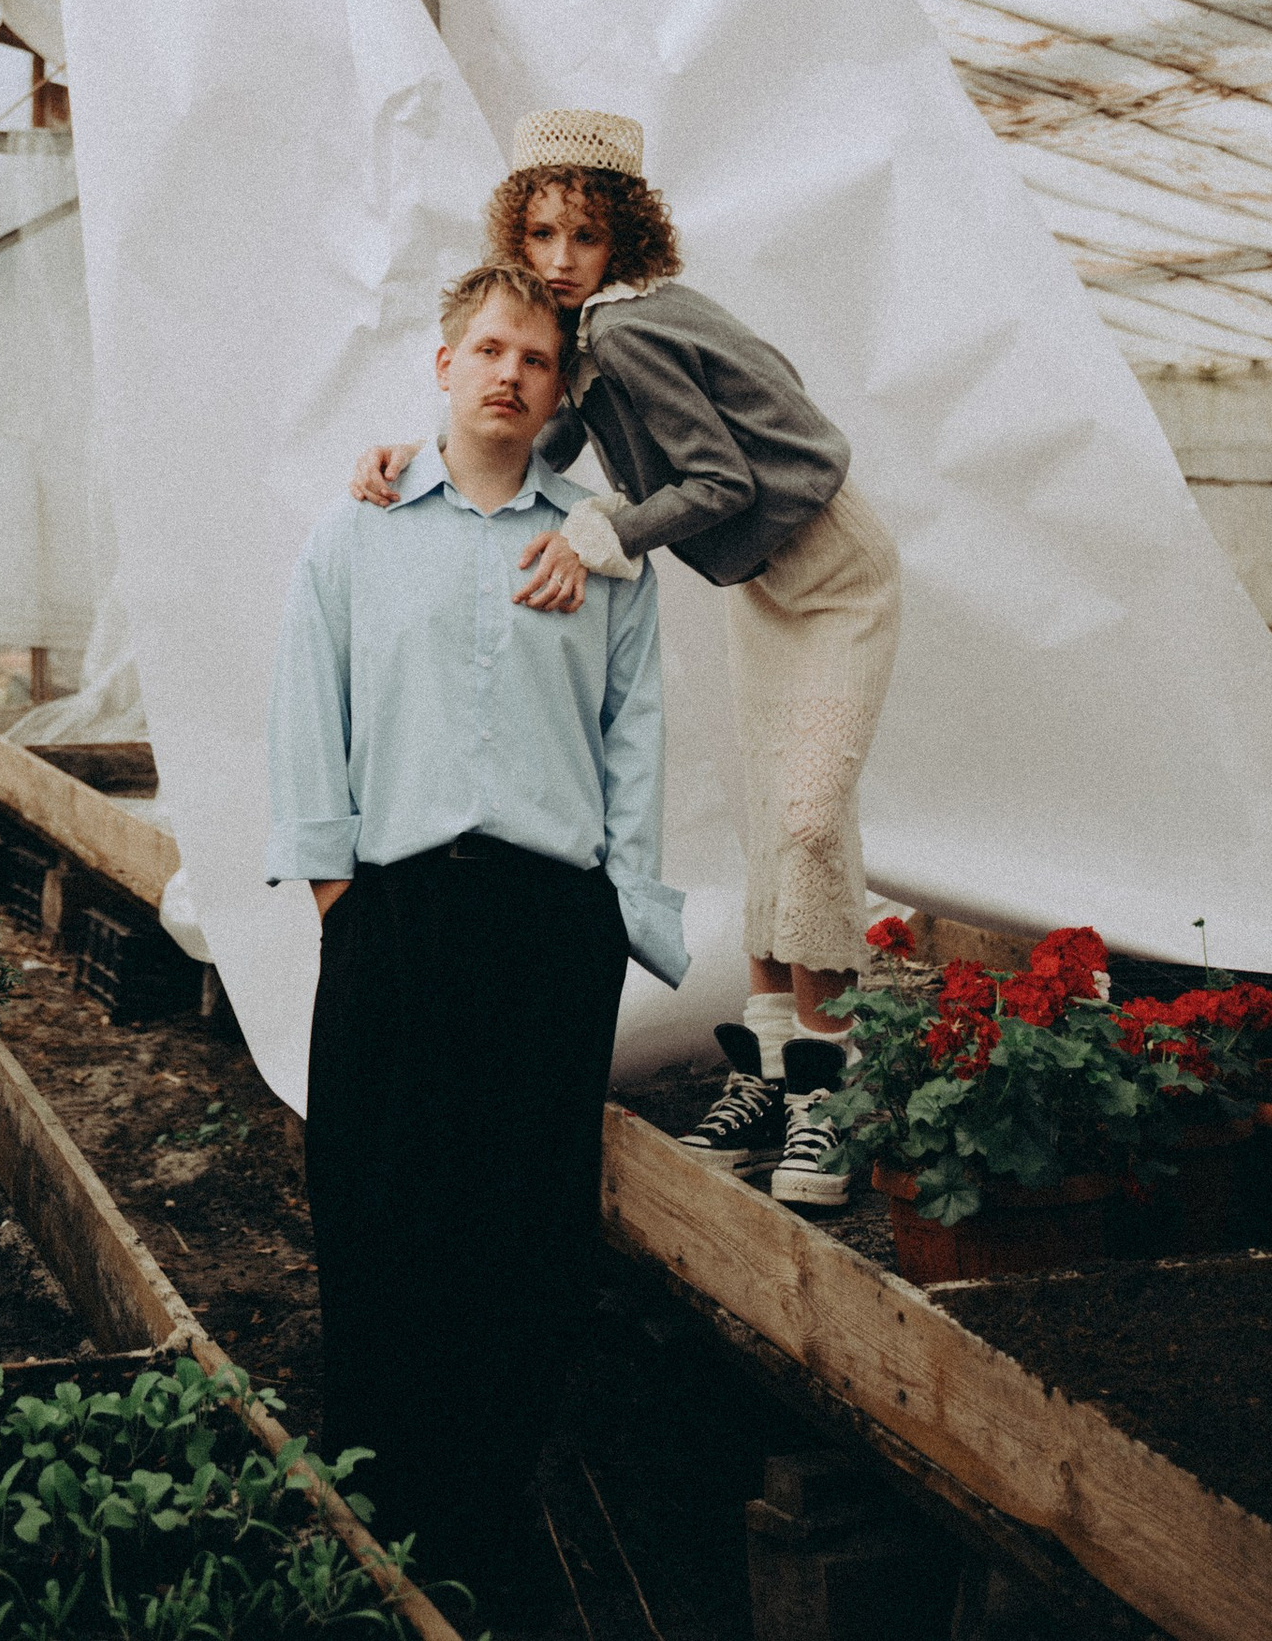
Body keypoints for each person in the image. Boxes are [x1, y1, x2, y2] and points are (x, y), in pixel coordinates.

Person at [351, 107, 900, 1213]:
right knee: (769, 823)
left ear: (627, 240)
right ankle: (770, 1070)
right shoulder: (589, 332)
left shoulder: (635, 333)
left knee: (806, 820)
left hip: (834, 578)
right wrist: (419, 453)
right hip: (762, 593)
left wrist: (601, 534)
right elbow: (537, 436)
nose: (558, 260)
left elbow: (726, 486)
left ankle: (828, 1094)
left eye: (584, 238)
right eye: (542, 234)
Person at [268, 256, 684, 1625]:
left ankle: (492, 1501)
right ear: (445, 364)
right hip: (394, 914)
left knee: (525, 1220)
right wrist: (338, 891)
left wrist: (617, 909)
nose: (511, 371)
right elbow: (305, 707)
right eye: (490, 347)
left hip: (547, 924)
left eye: (538, 359)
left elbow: (634, 731)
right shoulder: (360, 530)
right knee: (382, 1201)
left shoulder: (597, 548)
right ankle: (376, 1494)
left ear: (561, 391)